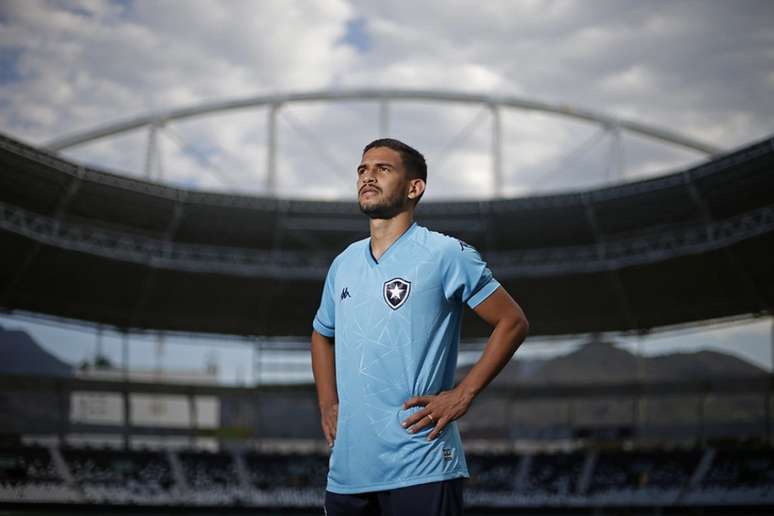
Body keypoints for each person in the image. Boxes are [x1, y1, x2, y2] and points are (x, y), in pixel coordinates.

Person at [311, 138, 529, 516]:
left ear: (415, 188)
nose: (367, 176)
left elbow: (512, 321)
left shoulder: (446, 254)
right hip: (348, 471)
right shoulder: (343, 263)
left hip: (421, 461)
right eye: (363, 169)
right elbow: (321, 333)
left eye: (383, 169)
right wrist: (328, 403)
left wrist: (463, 395)